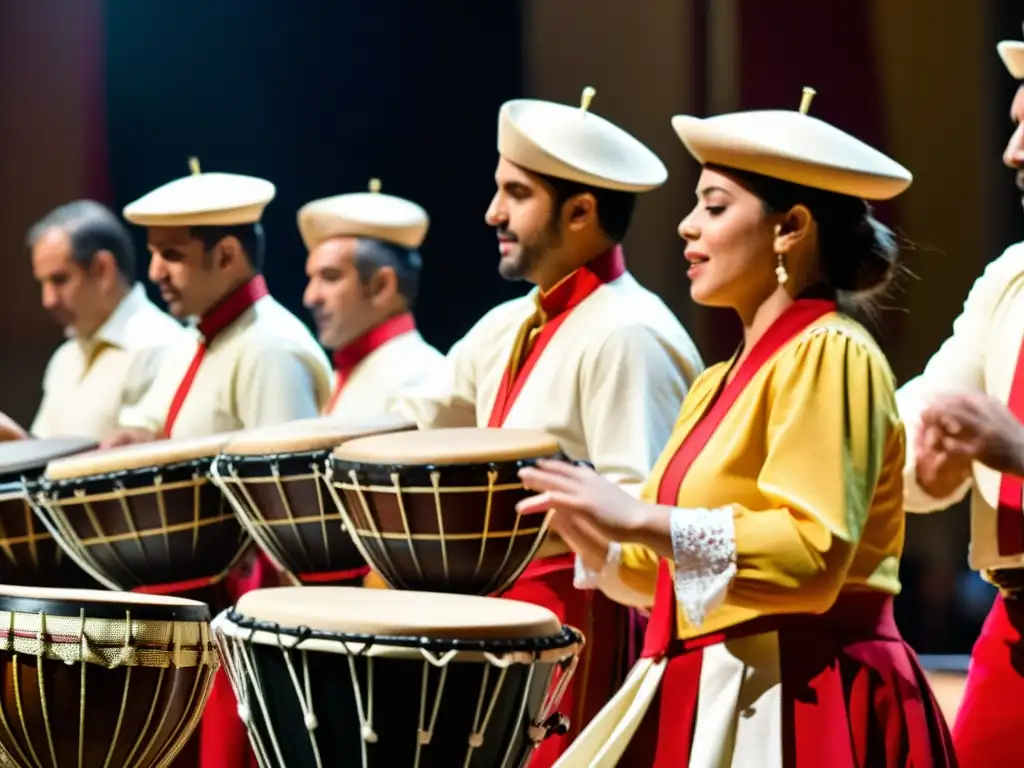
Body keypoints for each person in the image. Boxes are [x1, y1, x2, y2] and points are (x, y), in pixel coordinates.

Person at [516, 90, 956, 766]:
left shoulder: (831, 350)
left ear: (791, 227)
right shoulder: (714, 382)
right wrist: (596, 535)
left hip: (810, 689)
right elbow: (679, 578)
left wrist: (635, 519)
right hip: (730, 682)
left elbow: (811, 555)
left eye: (714, 206)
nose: (687, 227)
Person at [389, 88, 705, 766]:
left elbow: (643, 511)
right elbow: (418, 422)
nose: (492, 212)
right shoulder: (508, 323)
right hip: (501, 614)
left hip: (578, 623)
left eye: (515, 193)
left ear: (582, 212)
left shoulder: (630, 333)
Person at [101, 161, 332, 768]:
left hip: (241, 617)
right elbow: (156, 434)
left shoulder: (271, 348)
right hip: (200, 611)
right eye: (153, 254)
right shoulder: (196, 340)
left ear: (227, 254)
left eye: (171, 255)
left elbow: (289, 509)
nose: (154, 273)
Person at [895, 27, 1024, 766]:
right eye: (1012, 127)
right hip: (1016, 629)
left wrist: (1015, 451)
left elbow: (1004, 438)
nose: (1012, 152)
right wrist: (921, 462)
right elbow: (926, 409)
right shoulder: (1011, 278)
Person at [27, 200, 186, 439]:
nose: (48, 300)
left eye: (60, 280)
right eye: (42, 283)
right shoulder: (65, 357)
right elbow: (43, 461)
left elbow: (133, 463)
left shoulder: (159, 345)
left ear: (103, 269)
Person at [299, 179, 443, 419]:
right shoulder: (342, 375)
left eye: (330, 277)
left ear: (382, 286)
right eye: (311, 279)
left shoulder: (420, 380)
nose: (310, 297)